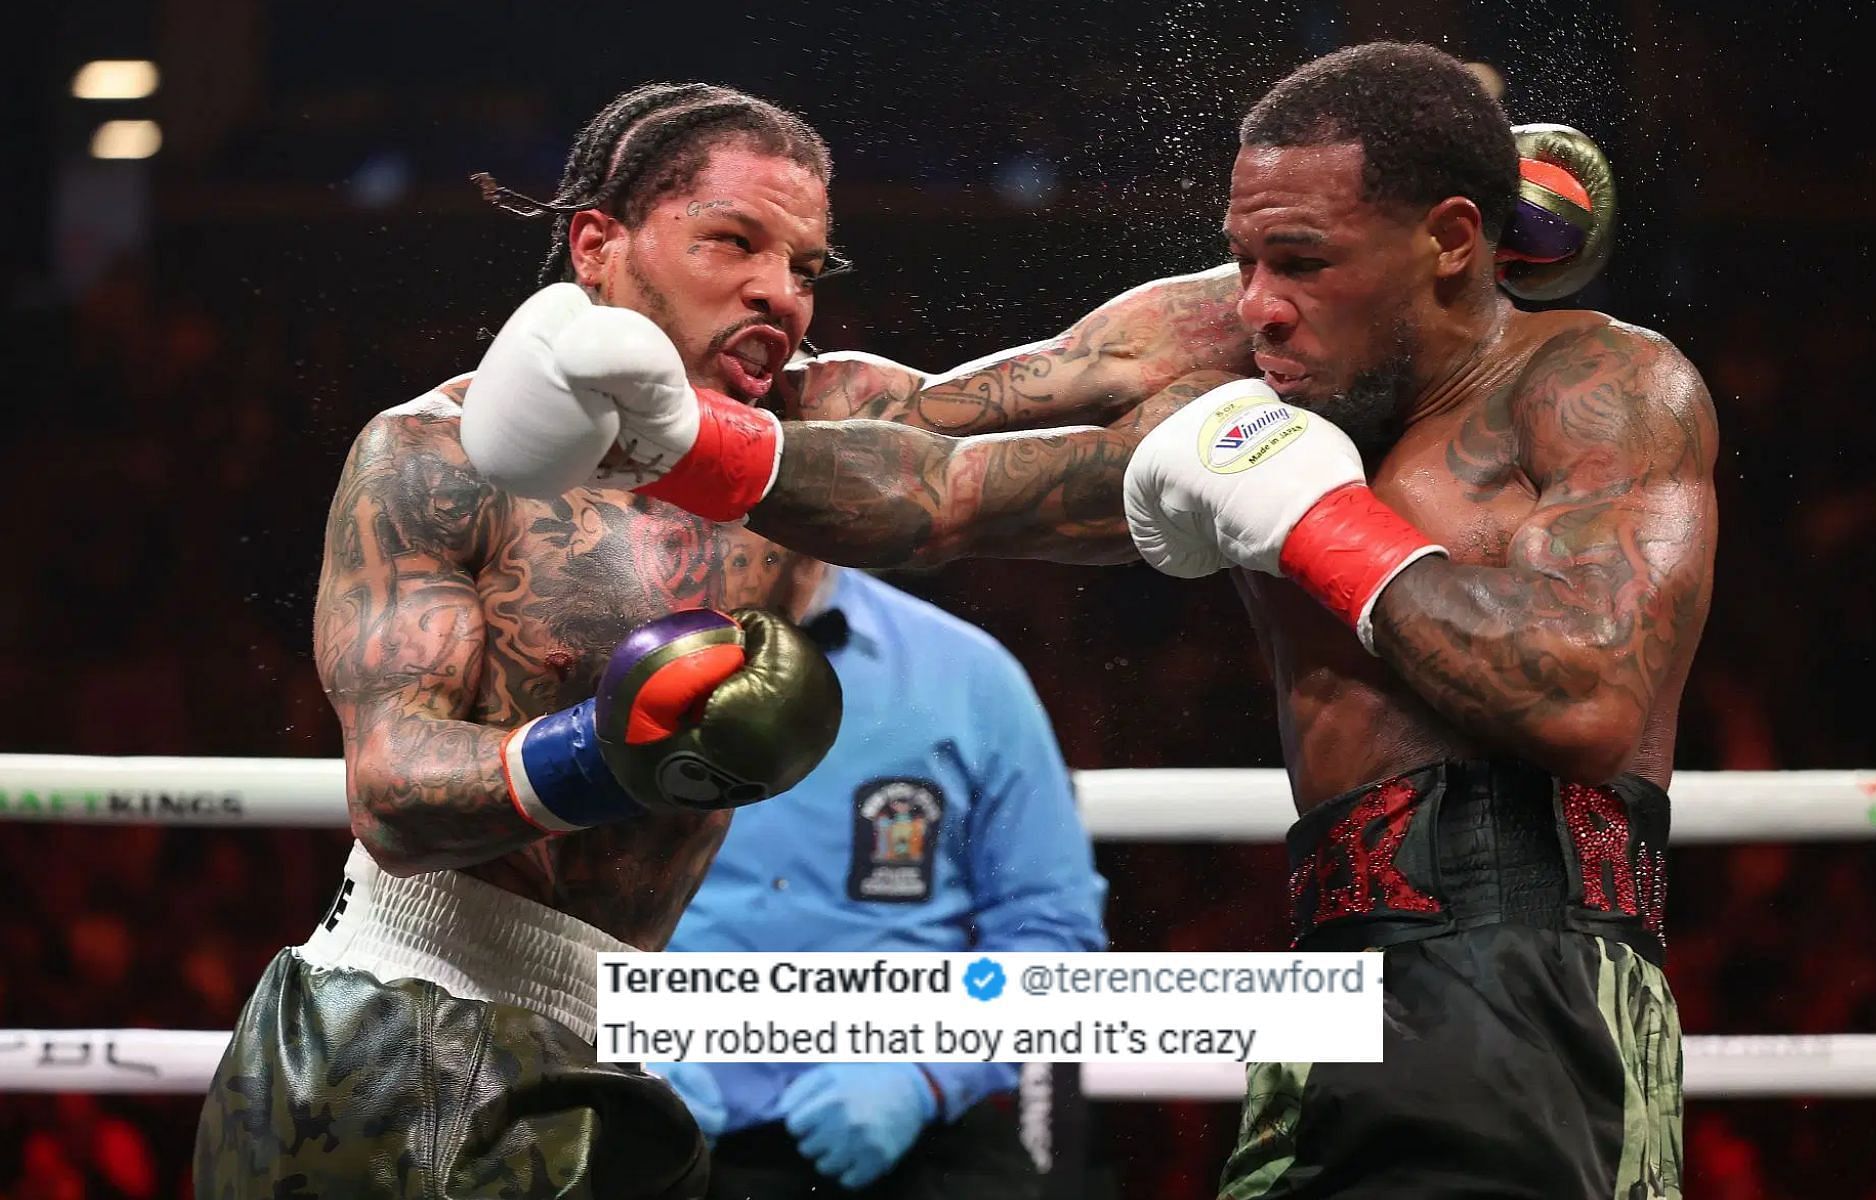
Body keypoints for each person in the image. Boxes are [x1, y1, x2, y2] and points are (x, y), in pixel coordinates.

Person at [463, 44, 1710, 1199]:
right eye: (1245, 259)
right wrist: (679, 438)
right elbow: (940, 473)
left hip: (1537, 961)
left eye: (1303, 263)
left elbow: (1585, 693)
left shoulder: (1595, 384)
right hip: (1337, 961)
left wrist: (1317, 519)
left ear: (1448, 239)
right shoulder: (1254, 377)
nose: (1257, 303)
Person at [190, 80, 1195, 1200]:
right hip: (407, 1027)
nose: (781, 292)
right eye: (734, 242)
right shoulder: (436, 455)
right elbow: (392, 793)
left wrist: (1291, 279)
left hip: (604, 1035)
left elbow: (1103, 378)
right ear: (597, 245)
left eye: (809, 266)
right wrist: (615, 750)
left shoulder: (802, 433)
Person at [651, 543, 1105, 1198]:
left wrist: (927, 1072)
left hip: (919, 1132)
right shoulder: (620, 668)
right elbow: (540, 891)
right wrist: (617, 1047)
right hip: (666, 1111)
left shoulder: (968, 674)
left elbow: (1050, 928)